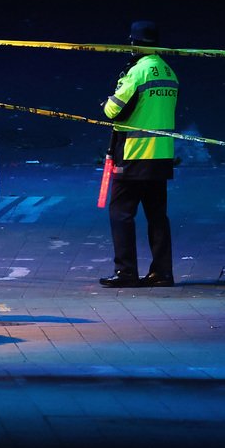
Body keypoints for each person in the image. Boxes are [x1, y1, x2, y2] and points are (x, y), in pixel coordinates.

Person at [97, 20, 179, 289]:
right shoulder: (168, 72)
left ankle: (126, 272)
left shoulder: (138, 73)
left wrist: (106, 102)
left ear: (134, 43)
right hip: (161, 156)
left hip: (134, 155)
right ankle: (162, 273)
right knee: (157, 215)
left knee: (121, 213)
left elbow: (114, 110)